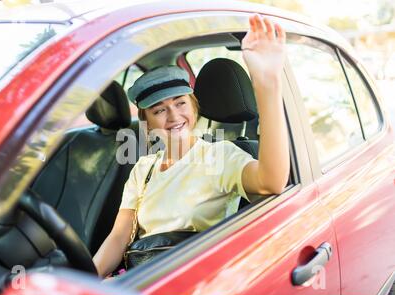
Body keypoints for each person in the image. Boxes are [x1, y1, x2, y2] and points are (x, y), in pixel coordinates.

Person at [93, 15, 290, 278]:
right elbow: (118, 238)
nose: (173, 116)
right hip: (142, 279)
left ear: (194, 106)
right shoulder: (143, 168)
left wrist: (268, 83)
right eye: (159, 110)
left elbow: (271, 182)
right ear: (147, 123)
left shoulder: (220, 155)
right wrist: (87, 285)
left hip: (194, 282)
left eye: (180, 103)